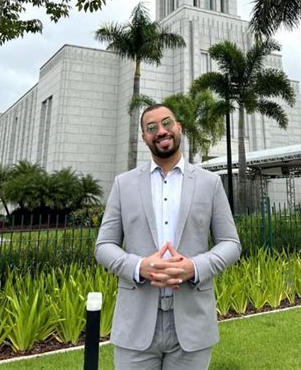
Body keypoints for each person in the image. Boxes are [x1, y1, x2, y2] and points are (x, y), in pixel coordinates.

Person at [95, 103, 241, 369]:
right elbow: (104, 246)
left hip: (193, 323)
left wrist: (194, 267)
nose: (160, 131)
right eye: (151, 128)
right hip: (135, 324)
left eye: (166, 123)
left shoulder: (210, 183)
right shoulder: (123, 184)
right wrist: (140, 267)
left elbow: (231, 244)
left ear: (179, 128)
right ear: (144, 137)